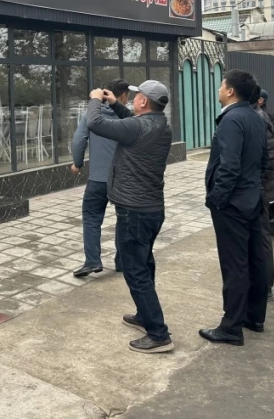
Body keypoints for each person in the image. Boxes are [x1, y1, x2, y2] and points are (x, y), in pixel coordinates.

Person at [86, 80, 174, 354]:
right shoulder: (161, 125)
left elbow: (95, 123)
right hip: (151, 209)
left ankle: (158, 333)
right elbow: (132, 122)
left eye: (137, 96)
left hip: (133, 212)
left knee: (135, 271)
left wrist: (95, 99)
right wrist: (115, 104)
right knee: (144, 264)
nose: (134, 99)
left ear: (144, 102)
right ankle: (144, 314)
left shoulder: (138, 128)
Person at [201, 70, 269, 347]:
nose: (219, 89)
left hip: (233, 204)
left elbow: (229, 166)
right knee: (255, 259)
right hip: (253, 198)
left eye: (222, 84)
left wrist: (217, 198)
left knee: (235, 265)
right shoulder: (255, 117)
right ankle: (254, 317)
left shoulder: (231, 119)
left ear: (230, 91)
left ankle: (231, 327)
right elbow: (263, 161)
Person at [70, 78, 130, 277]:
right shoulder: (128, 117)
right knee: (124, 219)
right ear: (123, 96)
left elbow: (79, 140)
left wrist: (77, 163)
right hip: (122, 179)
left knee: (91, 218)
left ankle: (92, 261)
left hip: (98, 178)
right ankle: (122, 261)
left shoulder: (91, 114)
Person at [251, 85, 274, 301]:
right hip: (262, 188)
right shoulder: (259, 117)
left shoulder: (260, 119)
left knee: (261, 238)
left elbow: (268, 160)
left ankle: (265, 285)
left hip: (261, 190)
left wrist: (258, 186)